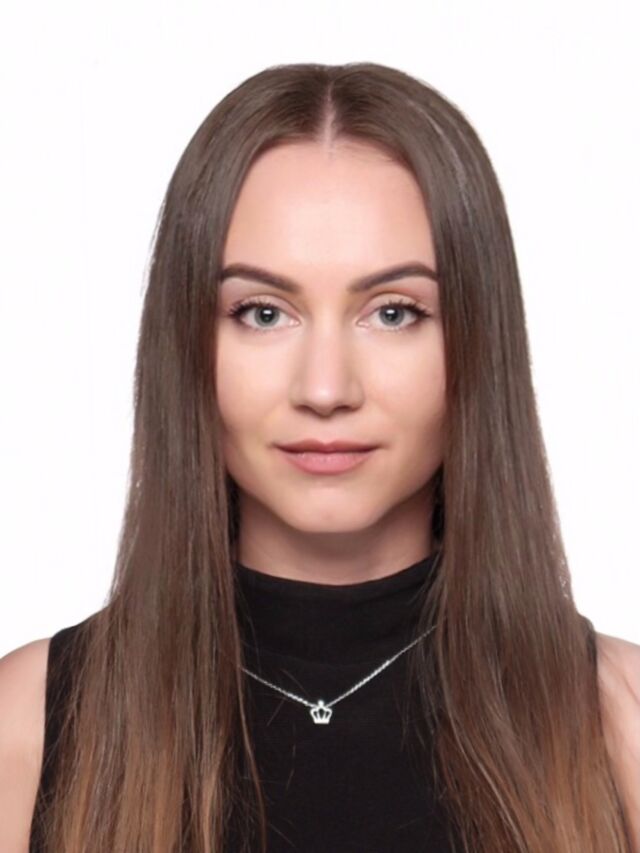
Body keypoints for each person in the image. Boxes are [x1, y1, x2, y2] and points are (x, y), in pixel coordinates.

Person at [1, 61, 638, 853]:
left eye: (394, 312)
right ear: (187, 342)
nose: (326, 388)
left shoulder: (621, 722)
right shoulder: (26, 727)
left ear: (478, 338)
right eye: (263, 313)